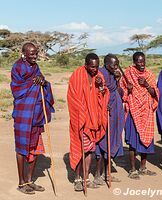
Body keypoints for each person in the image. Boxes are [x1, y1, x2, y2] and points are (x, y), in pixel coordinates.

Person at [11, 42, 55, 194]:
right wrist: (32, 82)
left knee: (34, 148)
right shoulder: (17, 67)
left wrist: (43, 83)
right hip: (23, 115)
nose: (35, 56)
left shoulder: (36, 67)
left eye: (36, 53)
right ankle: (21, 183)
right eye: (31, 54)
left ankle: (30, 180)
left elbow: (44, 83)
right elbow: (16, 88)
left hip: (36, 114)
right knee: (22, 148)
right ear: (23, 53)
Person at [67, 53, 110, 191]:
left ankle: (86, 178)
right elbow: (72, 97)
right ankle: (77, 178)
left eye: (97, 66)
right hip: (80, 119)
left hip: (94, 120)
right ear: (86, 65)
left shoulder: (99, 76)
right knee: (80, 148)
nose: (94, 69)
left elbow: (104, 94)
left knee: (90, 150)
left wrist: (101, 87)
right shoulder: (77, 75)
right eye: (92, 67)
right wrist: (82, 114)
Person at [120, 52, 159, 180]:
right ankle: (132, 169)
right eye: (138, 61)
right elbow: (121, 92)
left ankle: (143, 167)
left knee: (146, 141)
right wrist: (129, 89)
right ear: (134, 62)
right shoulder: (128, 73)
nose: (141, 64)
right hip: (133, 109)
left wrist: (146, 84)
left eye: (143, 61)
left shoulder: (149, 74)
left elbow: (155, 93)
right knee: (133, 141)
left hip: (146, 111)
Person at [94, 54, 125, 185]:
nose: (116, 67)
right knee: (102, 140)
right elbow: (97, 92)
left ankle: (108, 173)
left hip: (115, 109)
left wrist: (118, 80)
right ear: (106, 64)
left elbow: (118, 91)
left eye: (117, 64)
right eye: (114, 65)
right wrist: (103, 103)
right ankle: (97, 174)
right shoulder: (100, 74)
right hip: (104, 110)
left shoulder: (112, 74)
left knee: (112, 139)